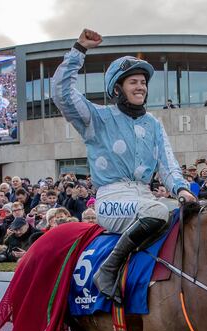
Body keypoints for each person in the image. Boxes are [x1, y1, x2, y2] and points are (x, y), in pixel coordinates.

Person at [51, 28, 195, 301]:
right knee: (156, 211)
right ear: (118, 88)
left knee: (185, 214)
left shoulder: (153, 124)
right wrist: (78, 50)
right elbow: (62, 94)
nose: (140, 86)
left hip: (145, 197)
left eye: (143, 82)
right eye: (133, 82)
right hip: (110, 200)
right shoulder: (97, 118)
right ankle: (108, 271)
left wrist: (181, 190)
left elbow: (168, 164)